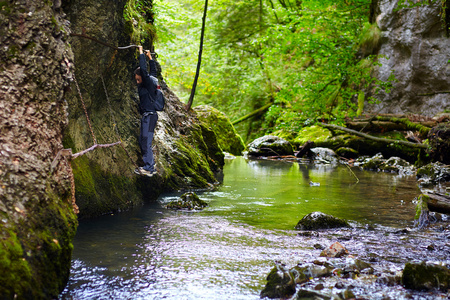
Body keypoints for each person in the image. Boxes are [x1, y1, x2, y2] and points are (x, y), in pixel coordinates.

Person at [134, 45, 159, 176]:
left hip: (150, 117)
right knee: (143, 141)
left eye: (138, 79)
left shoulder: (148, 83)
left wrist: (141, 52)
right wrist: (150, 58)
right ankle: (149, 165)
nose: (137, 82)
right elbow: (153, 71)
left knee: (146, 142)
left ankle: (149, 168)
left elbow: (144, 70)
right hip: (148, 117)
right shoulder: (151, 81)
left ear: (142, 78)